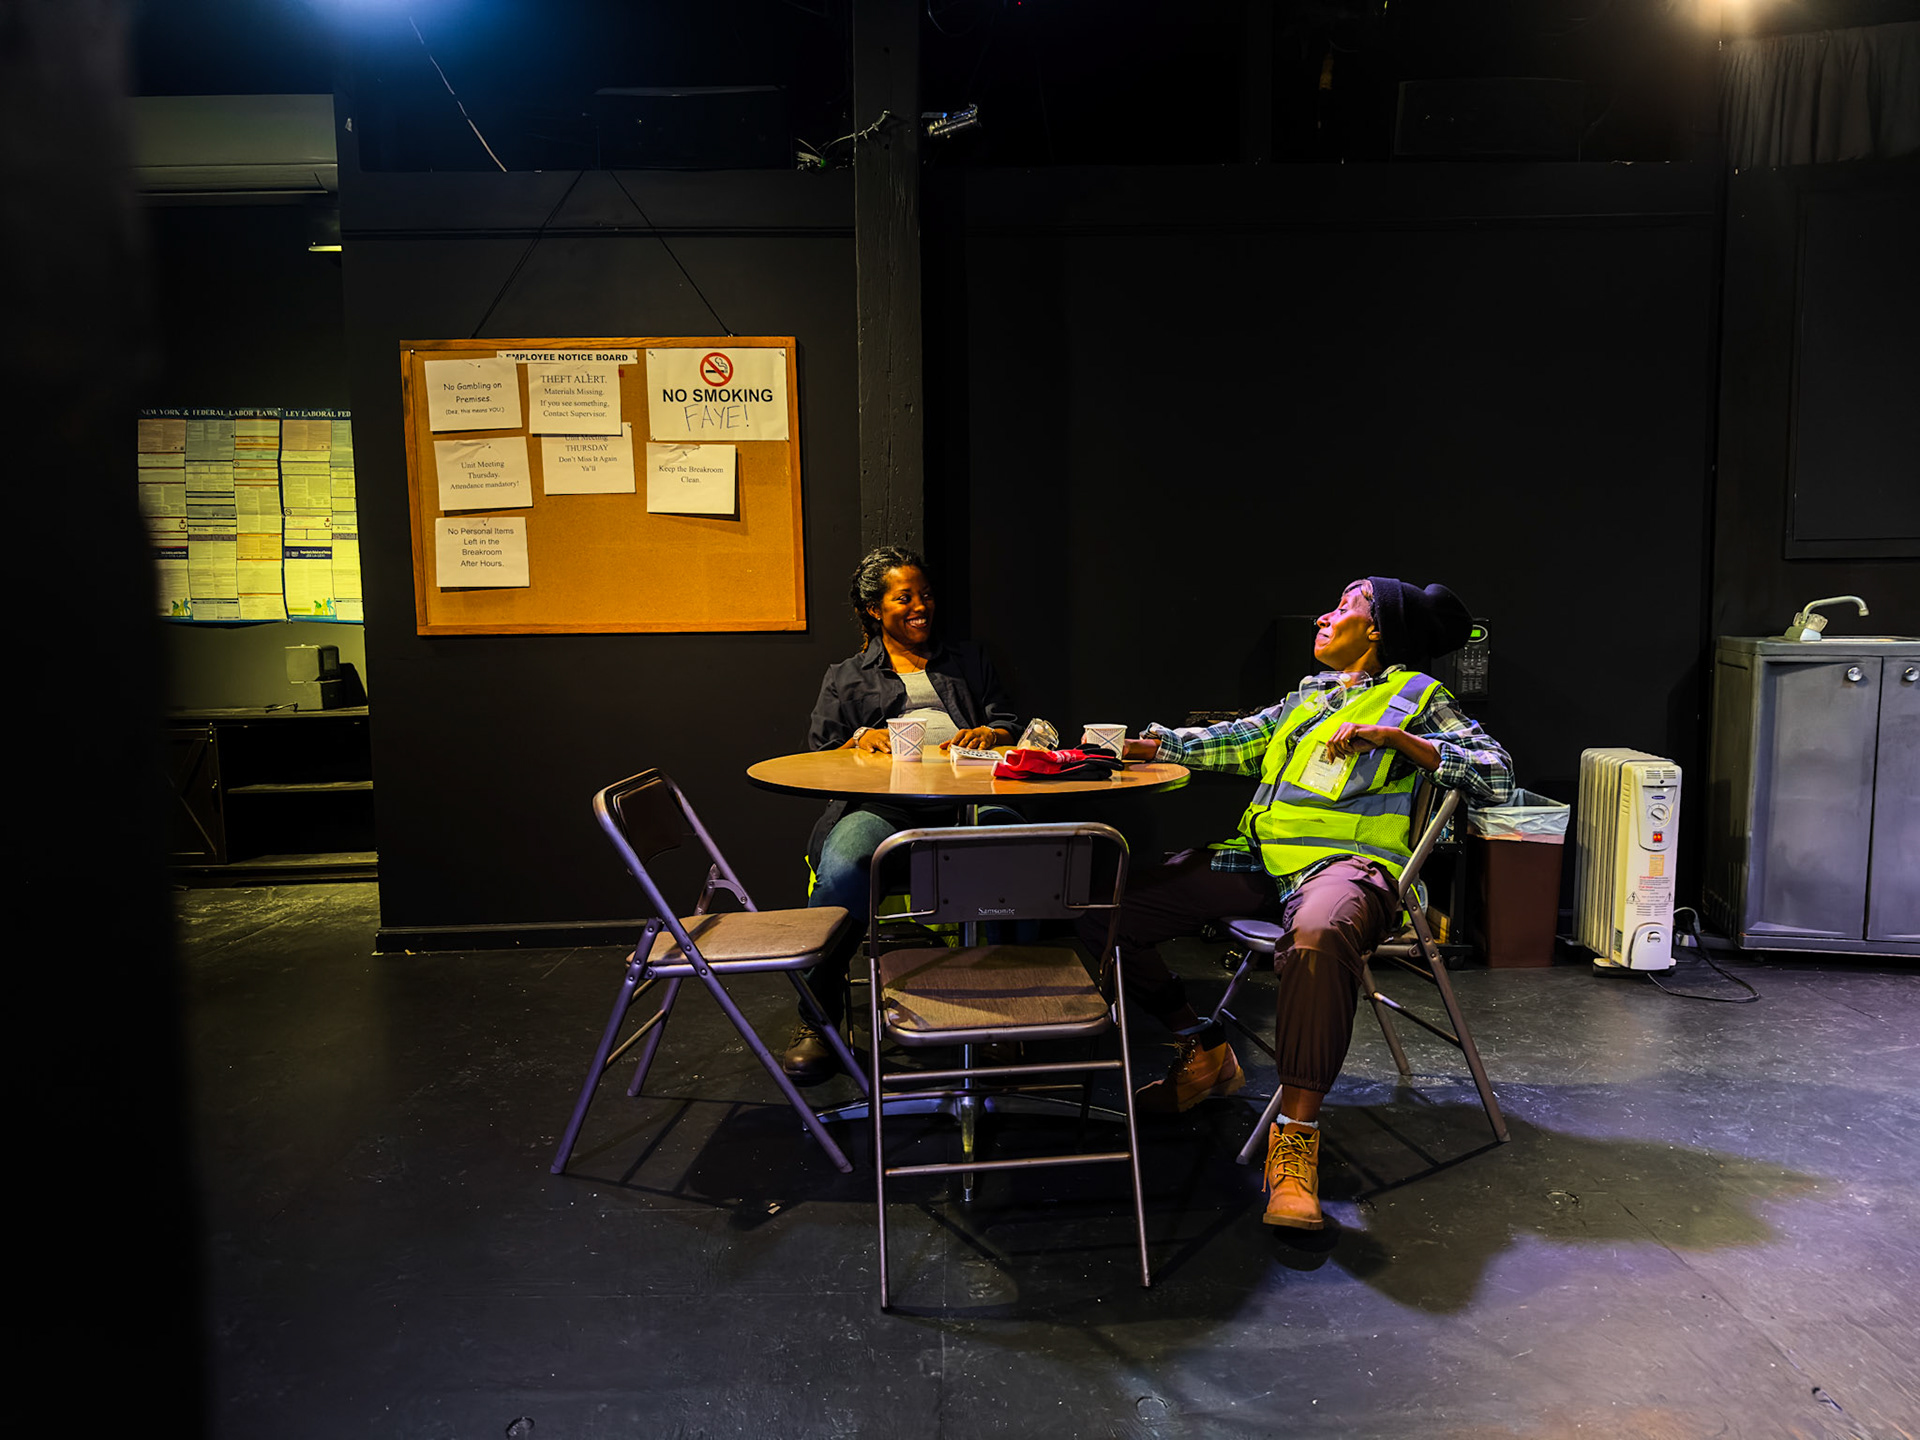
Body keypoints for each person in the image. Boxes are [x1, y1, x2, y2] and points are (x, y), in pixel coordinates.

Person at [1080, 577, 1512, 1231]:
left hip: (1348, 868)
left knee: (1317, 936)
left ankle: (1295, 1142)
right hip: (1263, 861)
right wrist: (1136, 747)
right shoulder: (1309, 696)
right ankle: (1203, 1050)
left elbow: (1498, 775)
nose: (1323, 617)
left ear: (1377, 630)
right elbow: (1235, 741)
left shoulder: (1419, 697)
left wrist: (1399, 740)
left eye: (1344, 607)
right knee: (1107, 907)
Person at [782, 545, 1023, 1083]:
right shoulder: (846, 676)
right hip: (884, 808)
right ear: (874, 609)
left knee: (1016, 844)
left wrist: (992, 732)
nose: (921, 607)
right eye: (905, 598)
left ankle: (1007, 1007)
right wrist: (857, 739)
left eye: (926, 595)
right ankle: (818, 1018)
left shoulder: (969, 660)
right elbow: (818, 753)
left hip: (969, 802)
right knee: (844, 865)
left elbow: (1009, 720)